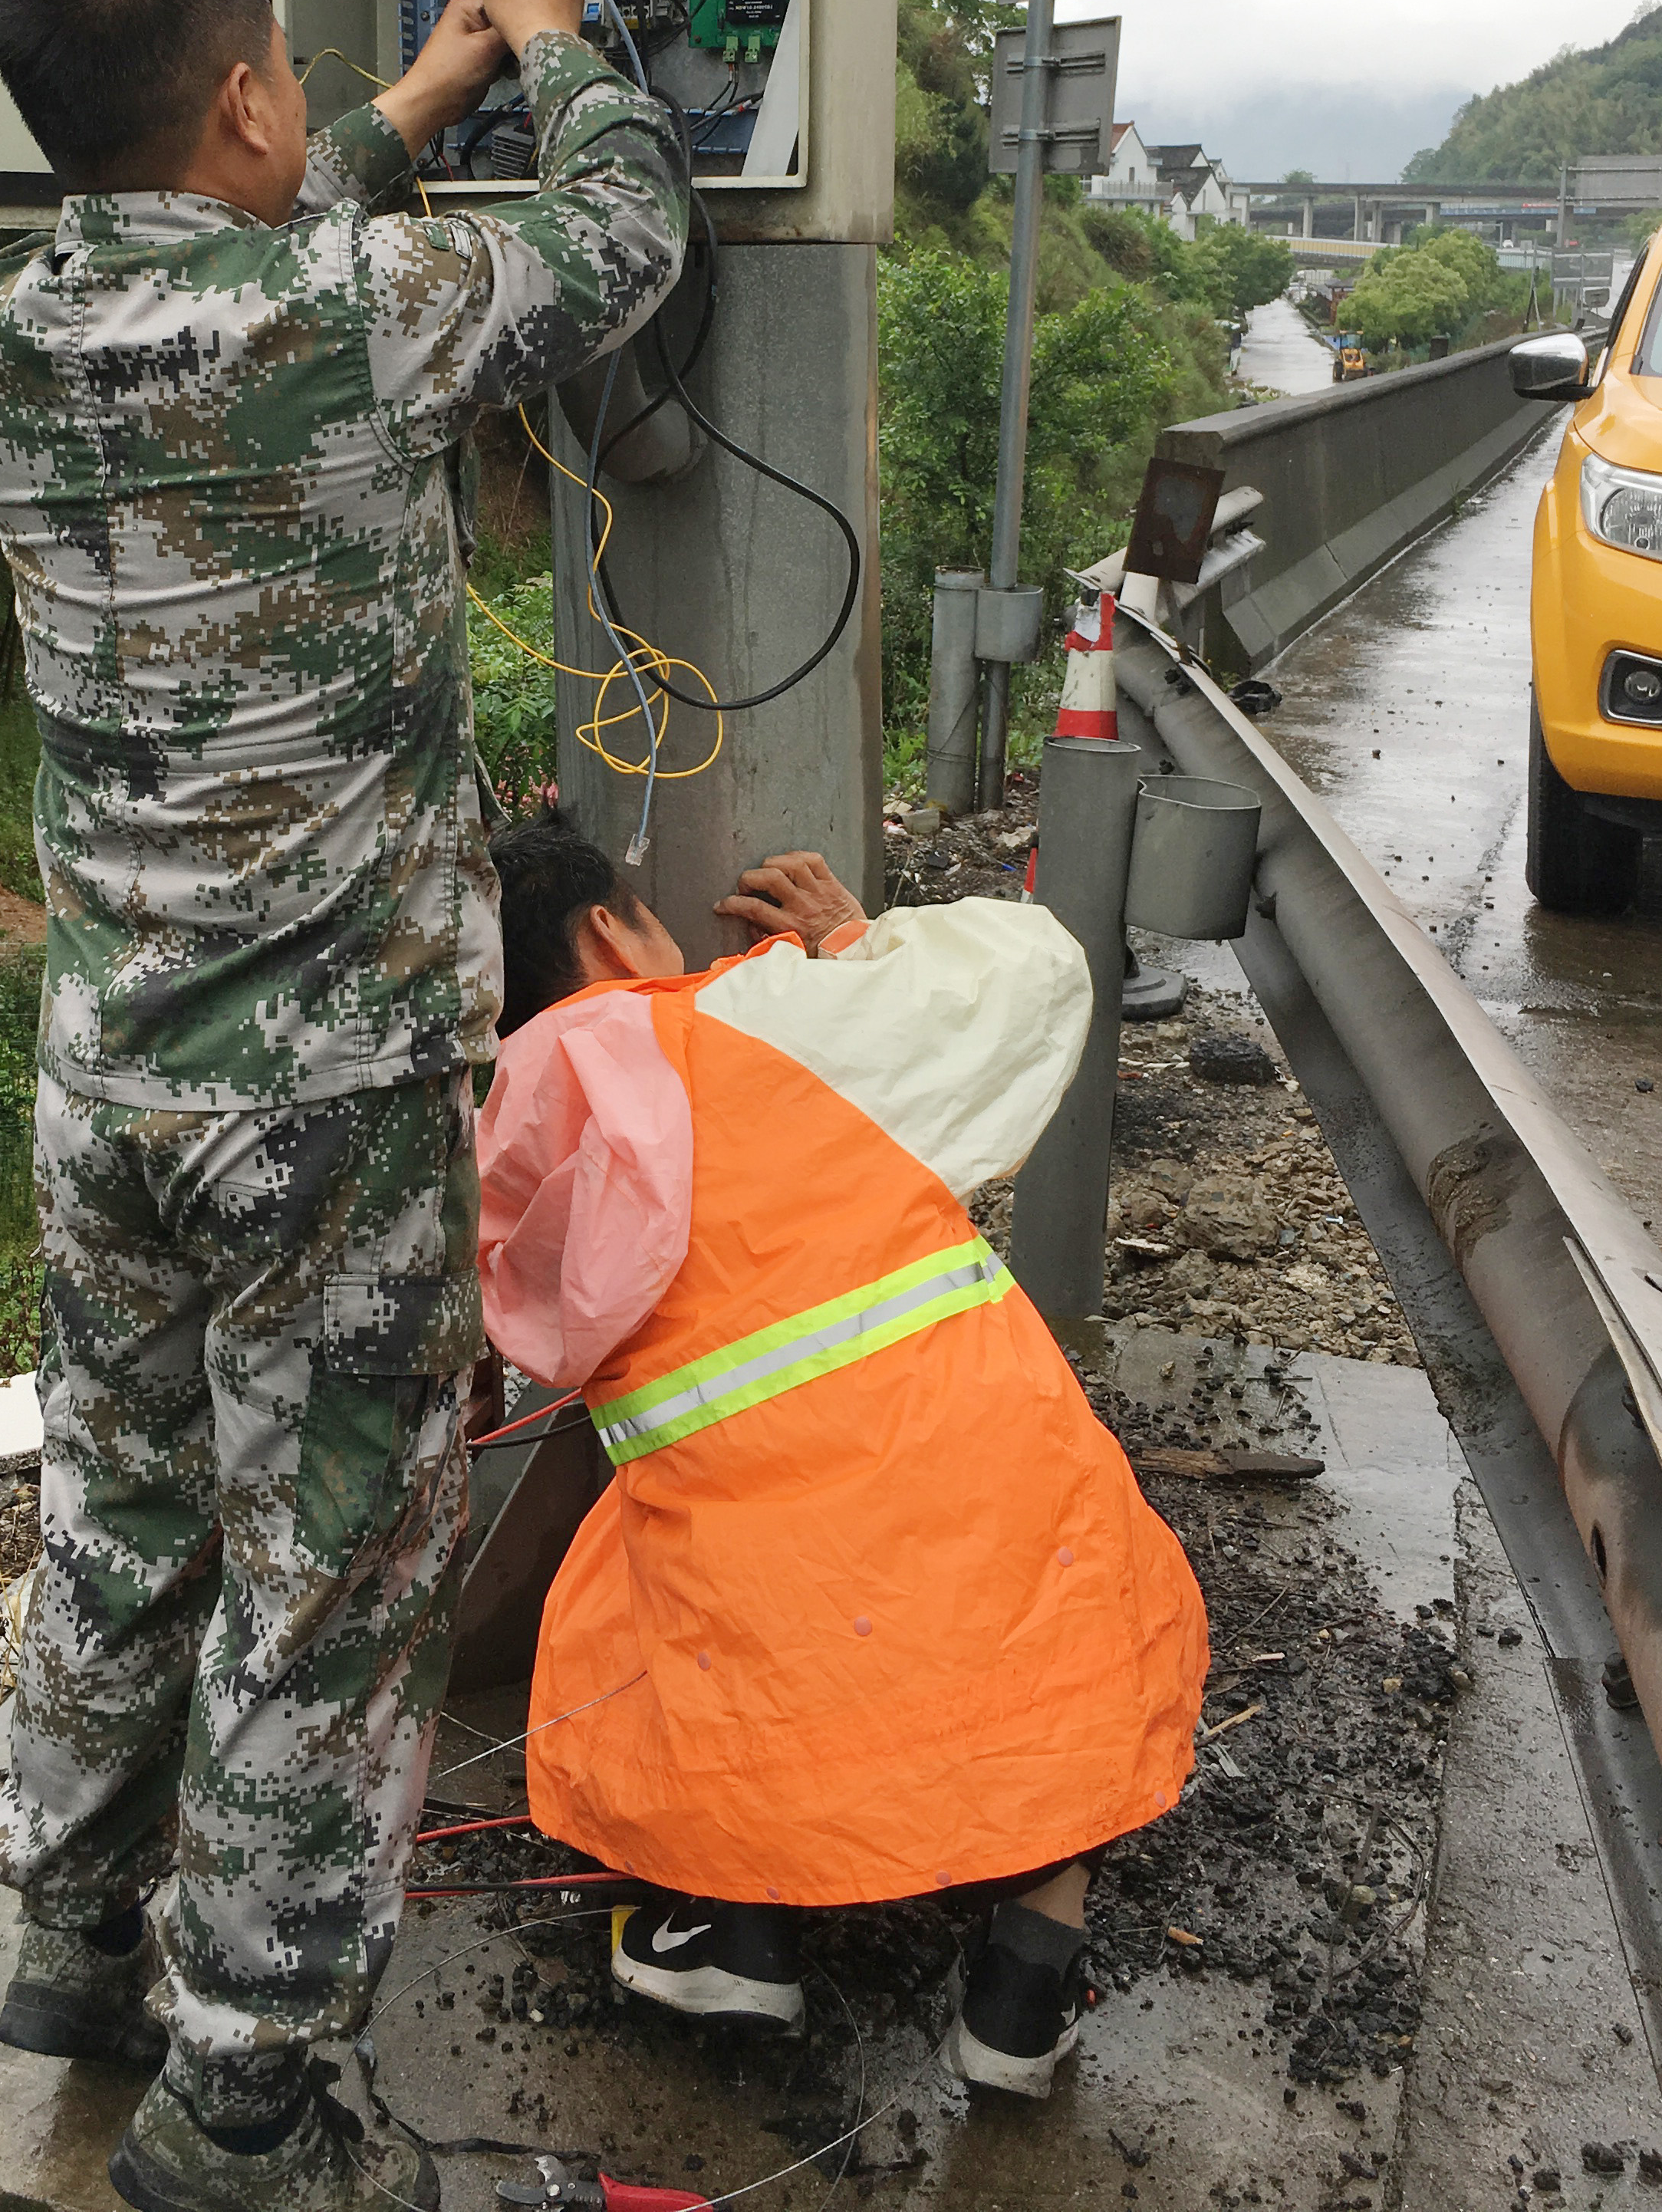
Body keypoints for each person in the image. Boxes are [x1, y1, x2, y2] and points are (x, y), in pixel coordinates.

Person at [0, 0, 684, 2212]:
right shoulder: (361, 317)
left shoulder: (1, 327)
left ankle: (74, 1942)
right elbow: (626, 238)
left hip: (110, 1085)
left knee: (126, 1506)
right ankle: (244, 2105)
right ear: (250, 96)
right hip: (325, 1105)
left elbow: (252, 242)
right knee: (333, 1580)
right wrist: (552, 42)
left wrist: (414, 99)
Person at [476, 809, 1209, 2100]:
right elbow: (1036, 975)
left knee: (665, 1626)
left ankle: (734, 1931)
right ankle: (1027, 1978)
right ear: (610, 932)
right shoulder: (756, 1020)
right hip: (983, 1478)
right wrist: (851, 940)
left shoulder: (499, 1136)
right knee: (1081, 1620)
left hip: (753, 1562)